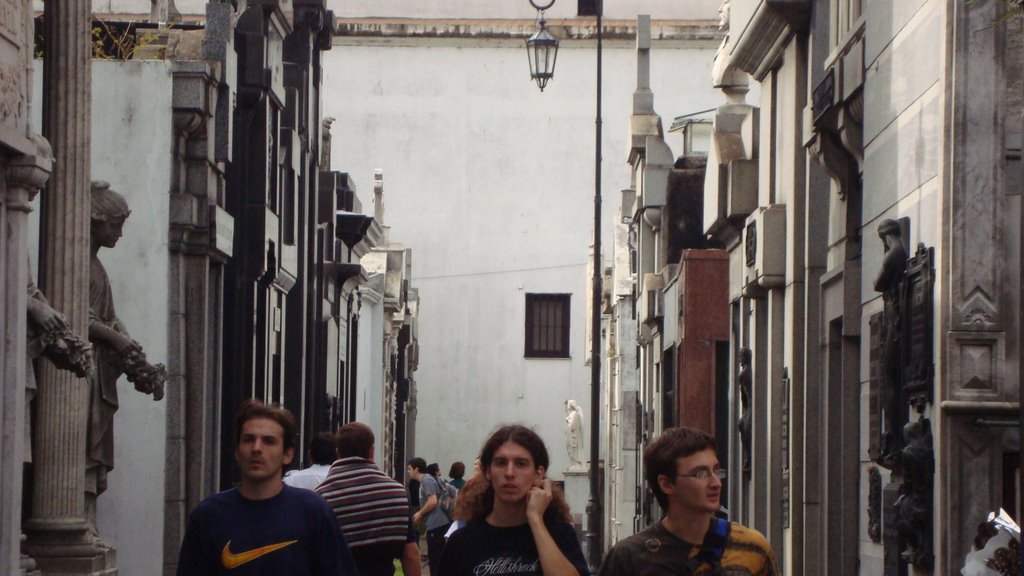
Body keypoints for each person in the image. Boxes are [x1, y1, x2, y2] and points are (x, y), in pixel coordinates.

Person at [176, 400, 358, 575]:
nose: (256, 448)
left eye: (268, 441)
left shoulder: (313, 512)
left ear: (287, 454)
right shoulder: (209, 516)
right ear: (237, 451)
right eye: (248, 440)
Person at [598, 426, 779, 576]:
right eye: (701, 474)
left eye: (716, 471)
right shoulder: (630, 558)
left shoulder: (751, 548)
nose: (715, 483)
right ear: (667, 483)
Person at [438, 425, 589, 576]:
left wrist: (536, 521)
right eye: (501, 463)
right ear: (488, 471)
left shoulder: (559, 534)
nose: (509, 473)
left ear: (538, 474)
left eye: (521, 464)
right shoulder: (462, 542)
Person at [316, 422, 421, 576]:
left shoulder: (321, 497)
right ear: (371, 452)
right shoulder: (395, 492)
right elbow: (411, 555)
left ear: (337, 453)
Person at [408, 456, 451, 576]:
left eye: (409, 469)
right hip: (438, 522)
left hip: (436, 524)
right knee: (436, 557)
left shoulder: (426, 480)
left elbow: (432, 501)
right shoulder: (428, 479)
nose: (408, 472)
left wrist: (420, 513)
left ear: (416, 469)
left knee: (435, 559)